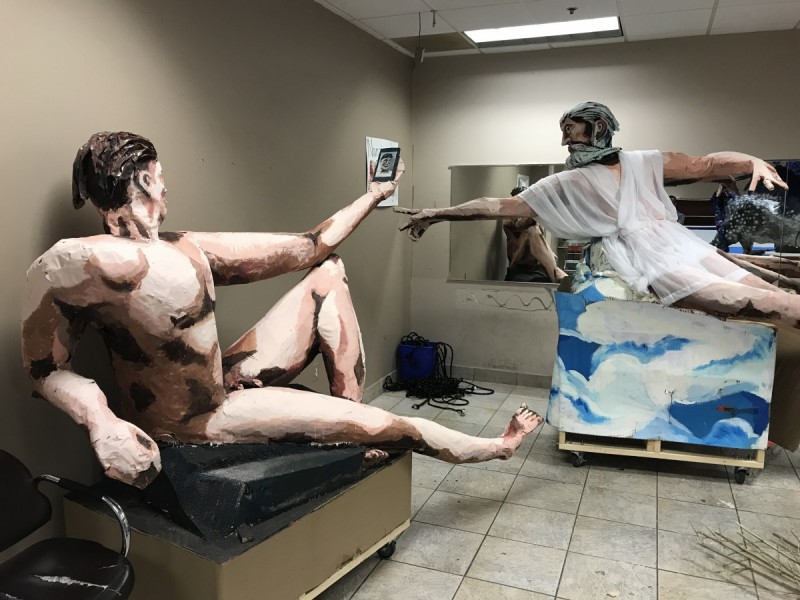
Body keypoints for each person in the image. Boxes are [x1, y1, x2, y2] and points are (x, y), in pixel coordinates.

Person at [22, 132, 542, 489]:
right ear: (141, 181)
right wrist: (101, 422)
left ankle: (352, 432)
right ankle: (496, 447)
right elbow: (44, 370)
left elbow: (310, 246)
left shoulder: (187, 247)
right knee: (395, 425)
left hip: (220, 381)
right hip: (195, 421)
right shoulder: (75, 262)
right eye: (160, 174)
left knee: (327, 272)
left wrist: (374, 194)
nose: (166, 184)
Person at [396, 101, 800, 327]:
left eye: (570, 130)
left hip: (680, 244)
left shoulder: (645, 161)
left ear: (598, 127)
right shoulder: (565, 183)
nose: (564, 141)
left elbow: (705, 164)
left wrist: (750, 160)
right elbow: (497, 205)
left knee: (771, 292)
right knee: (761, 304)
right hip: (646, 258)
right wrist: (438, 212)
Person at [502, 186, 566, 283]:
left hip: (536, 264)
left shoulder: (534, 222)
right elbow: (514, 224)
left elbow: (535, 227)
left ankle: (555, 273)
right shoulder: (510, 219)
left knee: (534, 230)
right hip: (518, 261)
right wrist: (522, 221)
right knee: (532, 231)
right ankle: (555, 275)